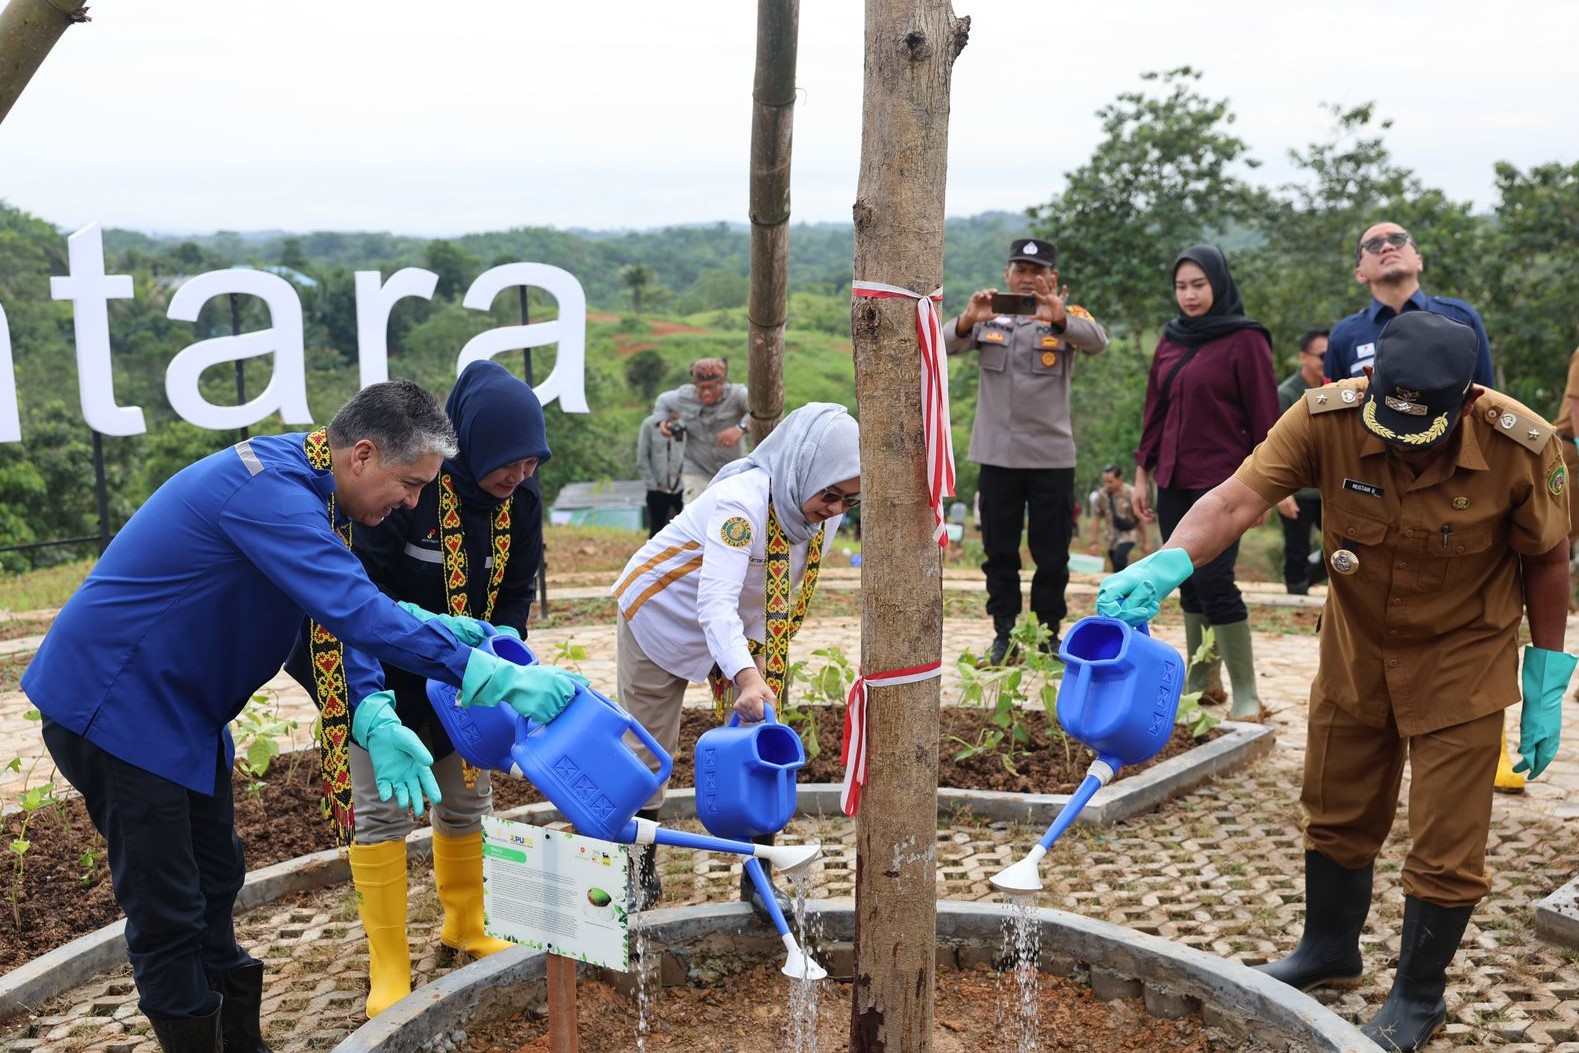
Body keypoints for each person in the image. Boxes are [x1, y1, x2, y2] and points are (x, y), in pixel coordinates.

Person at [21, 381, 580, 1053]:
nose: (412, 502)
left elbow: (331, 619)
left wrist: (370, 704)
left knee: (218, 873)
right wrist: (480, 671)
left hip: (184, 709)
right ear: (363, 454)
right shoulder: (268, 492)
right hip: (117, 707)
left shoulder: (321, 490)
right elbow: (356, 609)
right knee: (168, 905)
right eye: (407, 485)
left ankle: (242, 1041)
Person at [1099, 312, 1574, 1052]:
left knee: (1447, 841)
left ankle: (1419, 994)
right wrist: (1164, 563)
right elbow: (1235, 498)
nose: (1392, 443)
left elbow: (1547, 559)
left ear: (1466, 398)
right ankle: (1327, 949)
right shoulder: (1326, 416)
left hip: (1463, 658)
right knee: (1336, 804)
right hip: (1357, 647)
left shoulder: (1520, 442)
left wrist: (1547, 672)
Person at [283, 362, 549, 1019]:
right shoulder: (412, 491)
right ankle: (389, 961)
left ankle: (465, 922)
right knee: (382, 813)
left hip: (465, 679)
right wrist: (370, 700)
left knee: (466, 800)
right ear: (475, 443)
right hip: (382, 678)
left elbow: (516, 589)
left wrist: (503, 651)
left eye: (531, 462)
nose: (517, 476)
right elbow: (353, 598)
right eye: (508, 461)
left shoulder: (522, 503)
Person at [610, 402, 857, 922]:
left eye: (848, 500)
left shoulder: (817, 517)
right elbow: (713, 601)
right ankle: (636, 872)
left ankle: (758, 875)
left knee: (761, 738)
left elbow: (779, 594)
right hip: (660, 613)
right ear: (801, 470)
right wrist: (745, 674)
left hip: (739, 629)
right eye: (830, 495)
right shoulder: (739, 505)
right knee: (650, 748)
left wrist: (755, 671)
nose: (835, 509)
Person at [945, 237, 1109, 665]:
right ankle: (1004, 633)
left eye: (1038, 271)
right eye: (1021, 269)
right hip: (997, 456)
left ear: (1052, 277)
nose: (1028, 277)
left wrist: (1060, 320)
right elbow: (943, 344)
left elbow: (1098, 341)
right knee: (999, 553)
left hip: (1051, 458)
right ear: (1007, 275)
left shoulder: (1066, 316)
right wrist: (967, 320)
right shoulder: (988, 316)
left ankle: (1047, 633)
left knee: (1051, 554)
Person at [1132, 246, 1279, 718]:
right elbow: (1154, 411)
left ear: (1218, 283)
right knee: (1185, 580)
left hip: (1225, 485)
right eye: (1181, 286)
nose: (1189, 295)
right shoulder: (1172, 338)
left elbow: (1266, 419)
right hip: (1172, 477)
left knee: (1216, 581)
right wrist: (1142, 473)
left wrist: (1265, 493)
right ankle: (1202, 678)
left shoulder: (1246, 340)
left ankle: (1246, 693)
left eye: (1198, 284)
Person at [1324, 221, 1494, 387]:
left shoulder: (1460, 317)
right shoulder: (1343, 336)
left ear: (1419, 261)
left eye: (1397, 239)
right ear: (1360, 273)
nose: (1387, 247)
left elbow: (1484, 398)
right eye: (1374, 245)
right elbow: (1334, 410)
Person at [1275, 329, 1331, 594]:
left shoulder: (1336, 390)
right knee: (1296, 550)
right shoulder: (1287, 394)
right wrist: (1281, 493)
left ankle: (1309, 583)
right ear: (1303, 357)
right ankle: (1296, 599)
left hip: (1329, 487)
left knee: (1344, 545)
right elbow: (1275, 447)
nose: (1326, 360)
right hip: (1296, 489)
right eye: (1321, 355)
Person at [653, 357, 751, 503]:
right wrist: (662, 422)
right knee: (694, 512)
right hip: (696, 469)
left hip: (733, 468)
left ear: (722, 383)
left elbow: (759, 411)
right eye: (701, 387)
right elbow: (662, 401)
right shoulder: (683, 397)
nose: (706, 392)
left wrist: (740, 428)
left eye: (711, 387)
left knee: (735, 512)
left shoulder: (738, 394)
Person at [637, 408, 685, 537]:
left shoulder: (686, 424)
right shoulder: (650, 424)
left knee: (688, 529)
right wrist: (652, 484)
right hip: (658, 488)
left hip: (682, 487)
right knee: (656, 530)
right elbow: (642, 457)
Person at [1087, 465, 1141, 571]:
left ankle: (1124, 584)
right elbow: (1096, 519)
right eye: (1105, 482)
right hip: (1111, 536)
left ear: (1120, 479)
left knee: (1119, 559)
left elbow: (1139, 518)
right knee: (1116, 564)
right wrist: (1094, 542)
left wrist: (1145, 540)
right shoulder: (1101, 495)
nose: (1107, 485)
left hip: (1128, 534)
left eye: (1110, 481)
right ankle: (1121, 584)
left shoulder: (1131, 493)